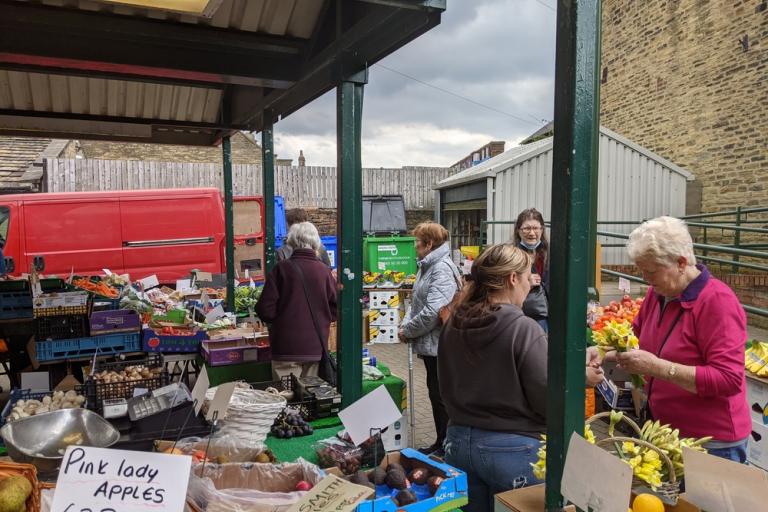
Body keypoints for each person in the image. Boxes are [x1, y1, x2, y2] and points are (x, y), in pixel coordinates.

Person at [614, 216, 751, 463]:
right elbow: (633, 339)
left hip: (711, 443)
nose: (646, 278)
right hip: (665, 433)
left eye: (651, 271)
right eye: (641, 270)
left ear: (681, 262)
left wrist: (657, 367)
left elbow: (728, 379)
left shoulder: (717, 301)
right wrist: (603, 353)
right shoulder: (657, 293)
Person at [438, 243, 547, 512]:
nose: (530, 286)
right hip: (514, 448)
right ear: (513, 278)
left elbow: (444, 383)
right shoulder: (523, 328)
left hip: (459, 444)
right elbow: (545, 395)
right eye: (527, 277)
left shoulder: (454, 322)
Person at [398, 221, 461, 457]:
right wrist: (405, 324)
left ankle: (447, 446)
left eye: (417, 242)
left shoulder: (441, 268)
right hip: (431, 345)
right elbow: (417, 304)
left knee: (442, 396)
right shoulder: (426, 266)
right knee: (436, 394)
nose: (415, 246)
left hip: (441, 345)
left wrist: (408, 331)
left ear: (429, 244)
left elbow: (433, 311)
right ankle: (441, 441)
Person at [256, 222, 337, 381]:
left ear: (292, 242)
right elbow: (336, 307)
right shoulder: (325, 272)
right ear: (316, 243)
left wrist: (281, 321)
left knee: (287, 398)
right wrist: (322, 319)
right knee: (310, 396)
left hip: (285, 348)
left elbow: (264, 308)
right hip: (315, 347)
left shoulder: (281, 269)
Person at [513, 208, 550, 331]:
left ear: (542, 229)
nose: (532, 233)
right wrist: (526, 282)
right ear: (519, 230)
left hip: (550, 314)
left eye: (535, 228)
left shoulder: (550, 253)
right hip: (524, 313)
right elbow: (503, 284)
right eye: (527, 228)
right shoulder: (511, 255)